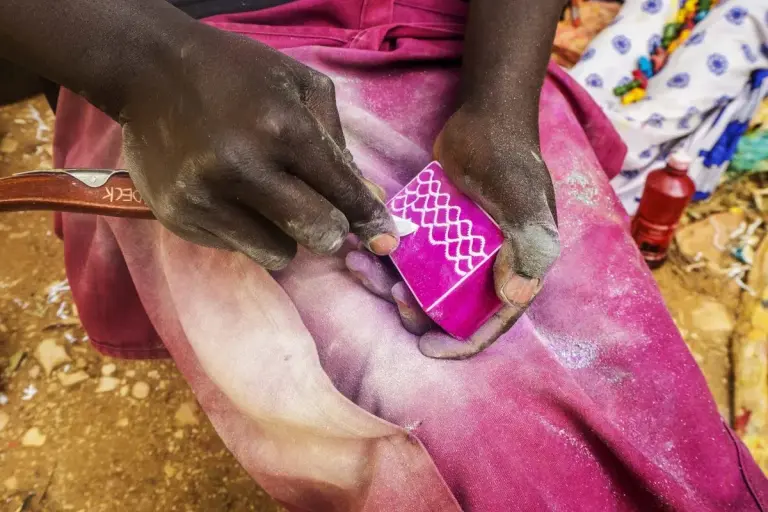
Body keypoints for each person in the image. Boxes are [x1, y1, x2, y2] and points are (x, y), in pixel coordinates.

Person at [1, 0, 766, 509]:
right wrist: (146, 67)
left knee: (640, 394)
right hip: (184, 55)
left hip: (464, 40)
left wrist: (500, 106)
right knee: (457, 422)